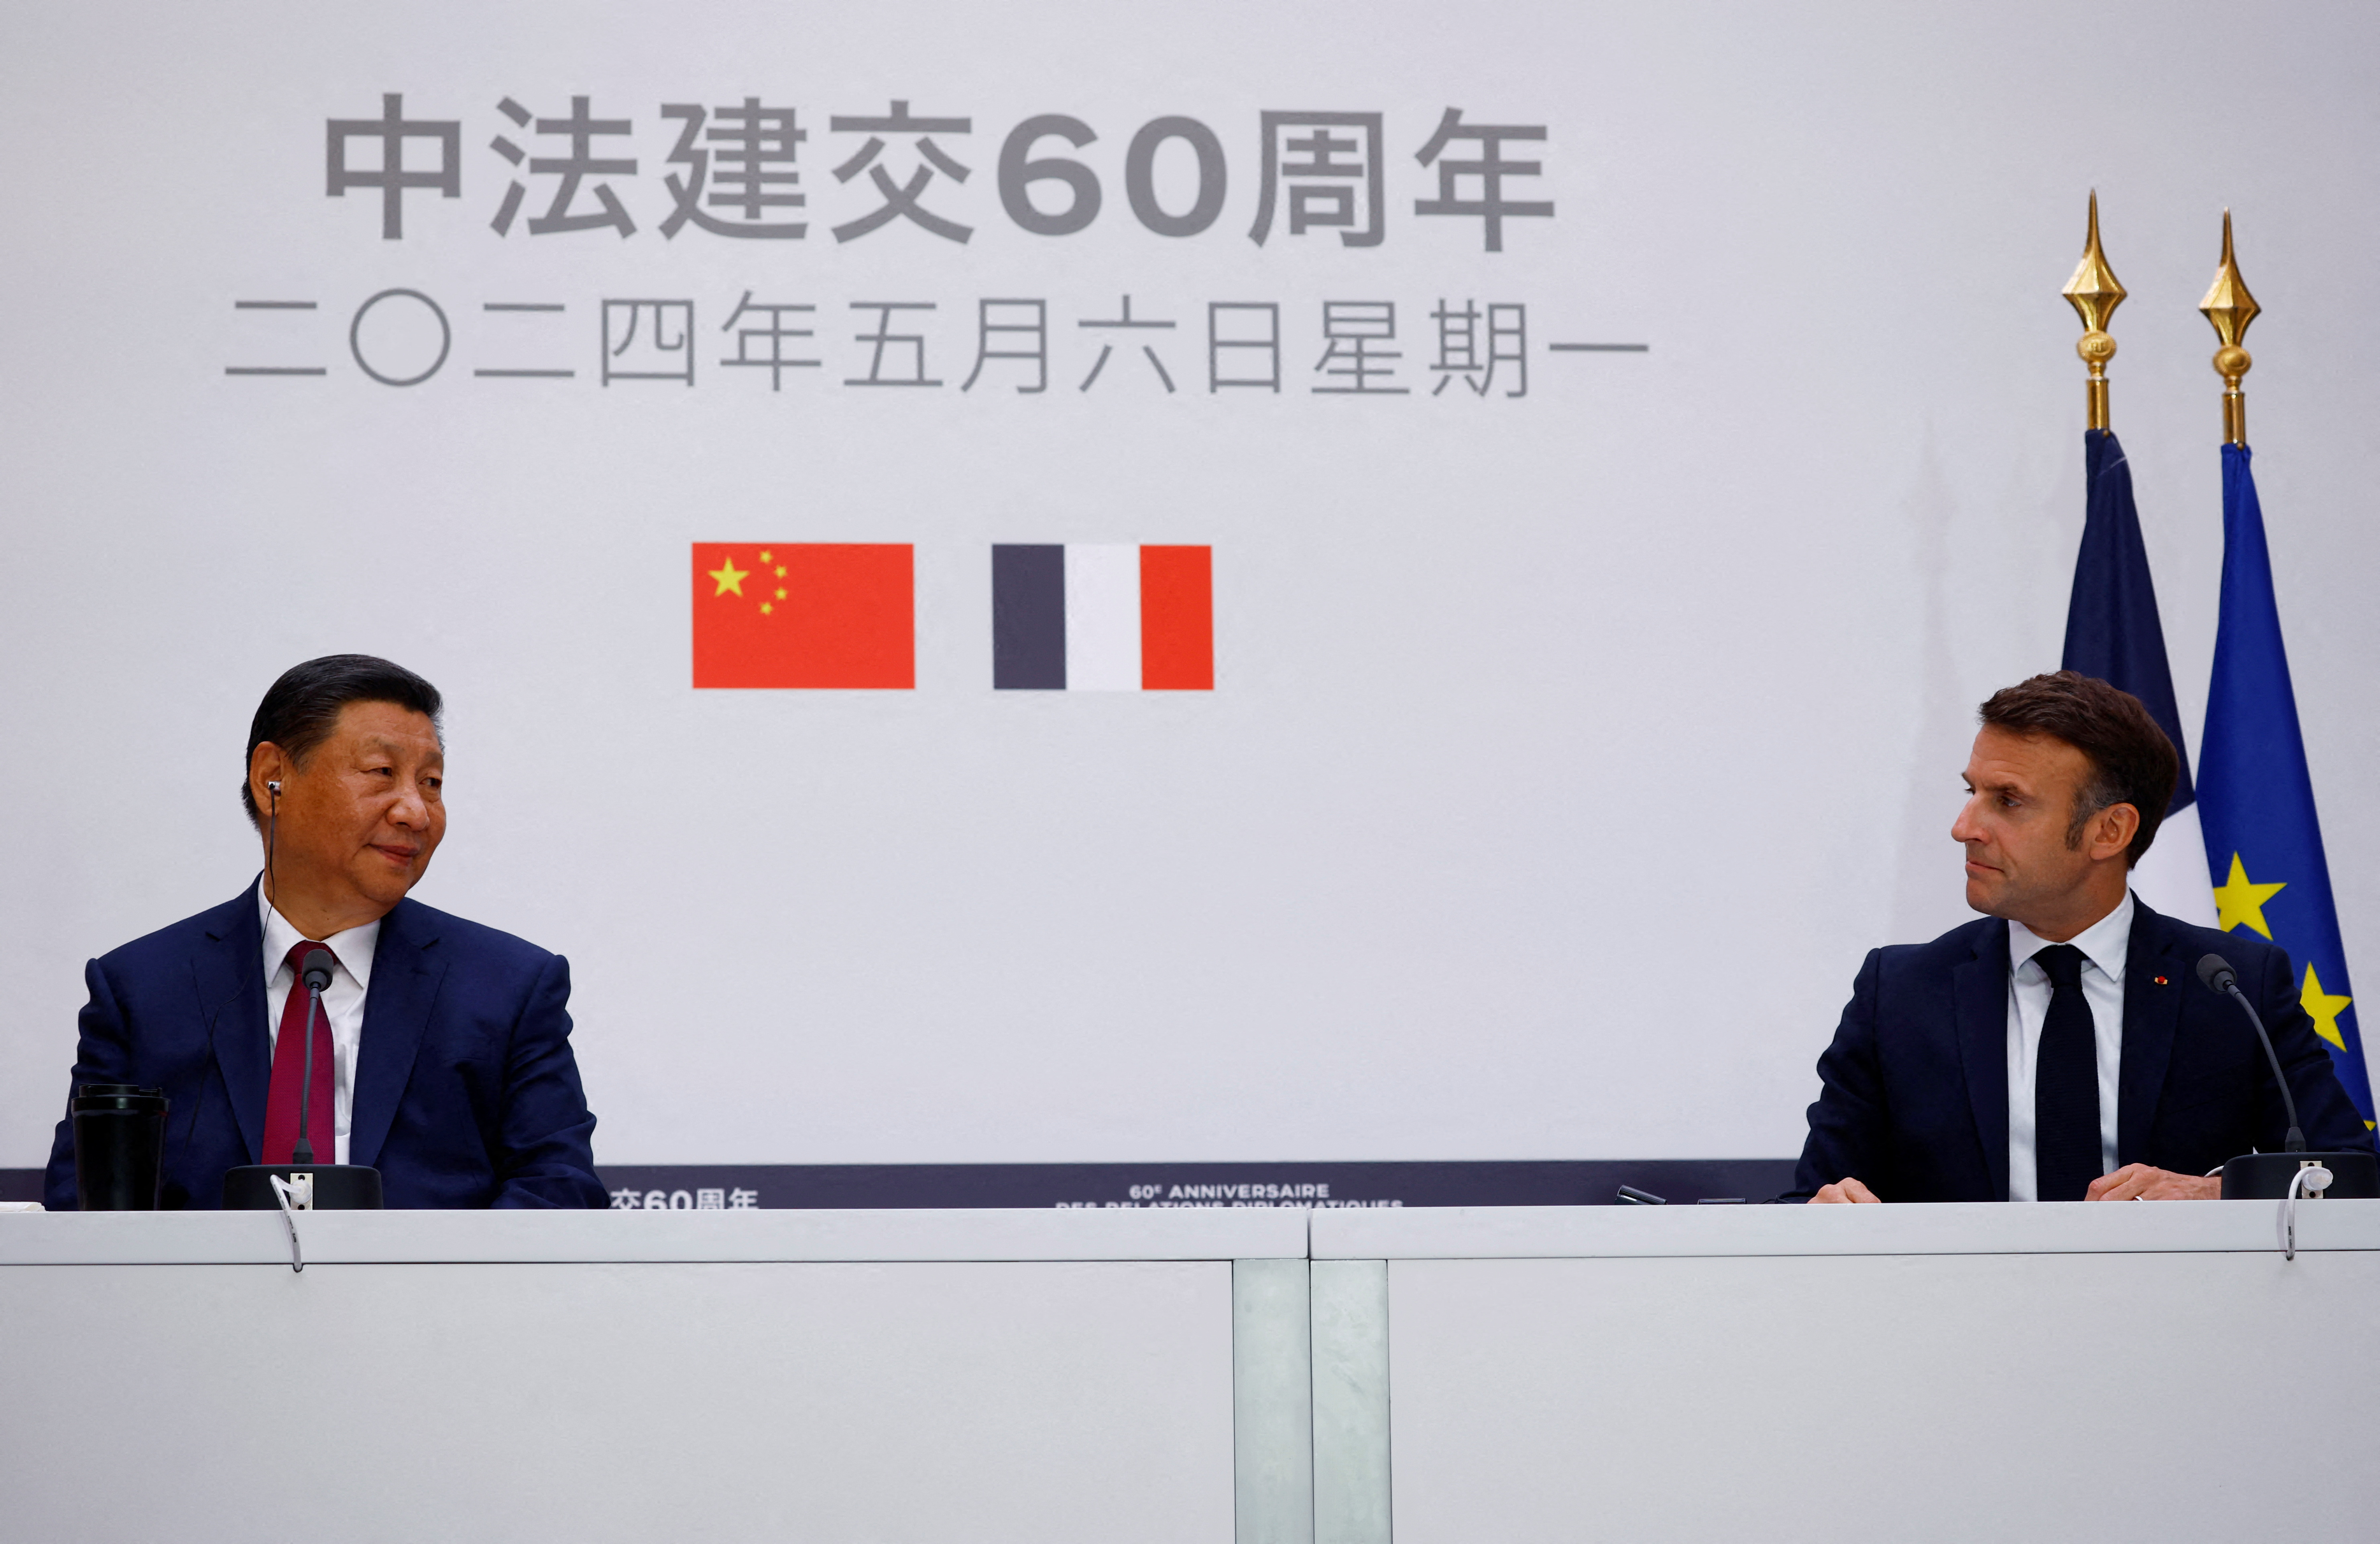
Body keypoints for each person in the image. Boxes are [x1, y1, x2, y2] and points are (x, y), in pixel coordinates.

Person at [43, 655, 603, 1210]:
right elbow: (86, 1210)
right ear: (272, 780)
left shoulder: (508, 988)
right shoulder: (143, 991)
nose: (415, 811)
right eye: (382, 773)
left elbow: (557, 1191)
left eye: (430, 782)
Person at [1794, 671, 2368, 1204]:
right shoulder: (1898, 994)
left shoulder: (2233, 987)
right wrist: (1824, 1211)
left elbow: (2348, 1175)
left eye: (2007, 801)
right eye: (1971, 792)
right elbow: (1806, 1203)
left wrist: (2212, 1197)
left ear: (2109, 831)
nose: (1964, 827)